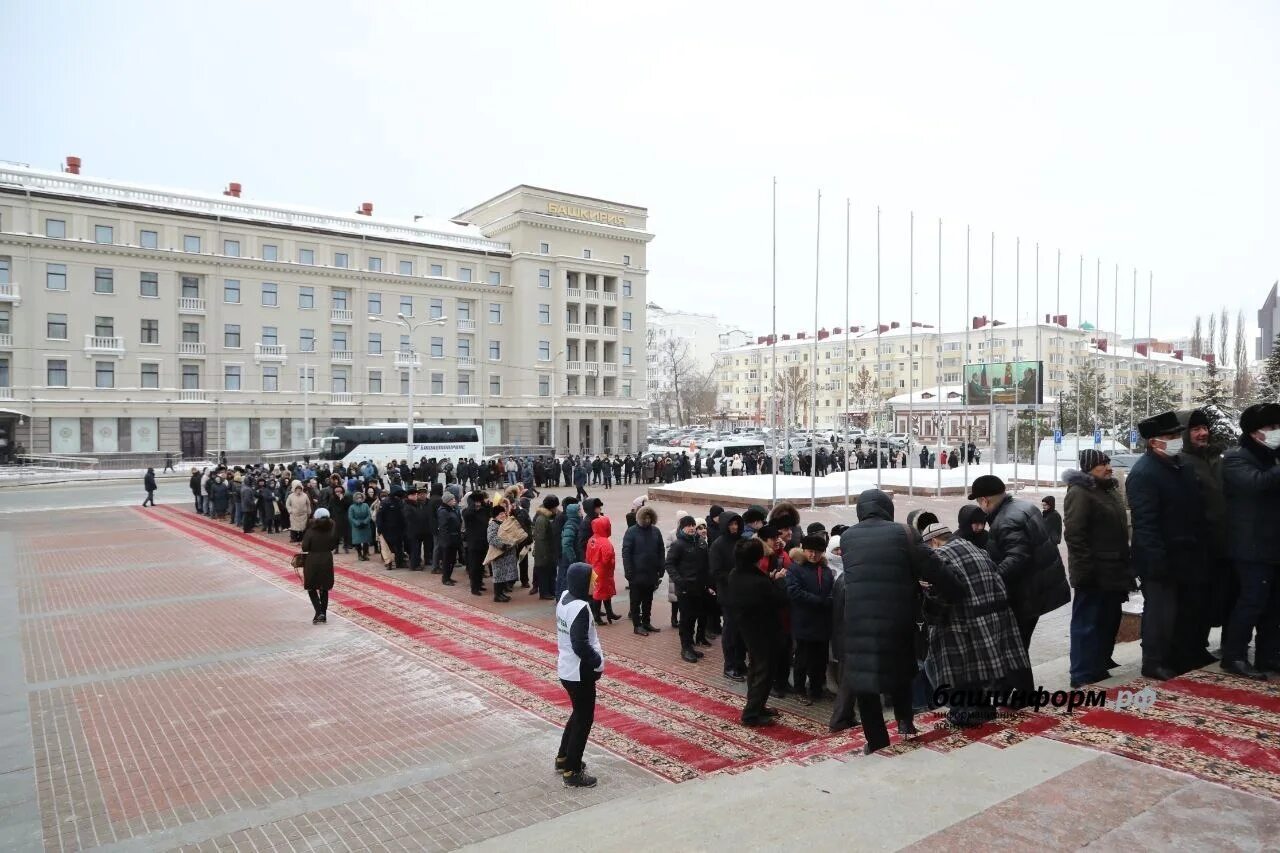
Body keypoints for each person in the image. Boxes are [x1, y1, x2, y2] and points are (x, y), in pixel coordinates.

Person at [838, 489, 961, 753]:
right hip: (897, 616)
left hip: (858, 620)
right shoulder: (903, 532)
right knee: (902, 670)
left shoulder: (847, 537)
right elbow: (932, 567)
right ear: (886, 508)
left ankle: (877, 741)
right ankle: (905, 723)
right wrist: (955, 590)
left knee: (864, 681)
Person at [1126, 411, 1211, 681]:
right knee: (1160, 613)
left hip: (1187, 553)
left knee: (1185, 611)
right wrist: (1156, 561)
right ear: (1154, 442)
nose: (1176, 440)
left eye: (1176, 435)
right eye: (1169, 436)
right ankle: (1154, 661)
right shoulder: (1144, 473)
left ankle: (1180, 655)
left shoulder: (1181, 466)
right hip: (1160, 557)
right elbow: (1146, 524)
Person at [919, 521, 1026, 727]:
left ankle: (966, 712)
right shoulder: (976, 549)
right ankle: (985, 709)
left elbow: (943, 594)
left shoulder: (941, 556)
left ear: (934, 541)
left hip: (962, 621)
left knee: (960, 672)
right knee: (981, 672)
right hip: (992, 616)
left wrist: (930, 609)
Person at [967, 475, 1070, 658]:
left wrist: (993, 579)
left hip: (1025, 594)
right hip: (1037, 588)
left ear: (985, 500)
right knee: (1020, 648)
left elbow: (1017, 557)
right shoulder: (1023, 506)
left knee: (1015, 652)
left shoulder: (1006, 519)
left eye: (978, 501)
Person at [1062, 450, 1134, 687]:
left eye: (1108, 462)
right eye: (1102, 464)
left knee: (1108, 619)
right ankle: (1081, 672)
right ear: (1089, 468)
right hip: (1093, 571)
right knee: (1087, 622)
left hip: (1114, 569)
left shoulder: (1109, 490)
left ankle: (1099, 664)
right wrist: (1084, 572)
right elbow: (1075, 535)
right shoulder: (1079, 492)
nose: (1108, 467)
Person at [1220, 403, 1280, 680]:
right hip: (1251, 545)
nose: (1277, 432)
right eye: (1272, 428)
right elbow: (1255, 484)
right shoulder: (1236, 458)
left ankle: (1269, 655)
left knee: (1274, 605)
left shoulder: (1273, 458)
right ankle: (1234, 656)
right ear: (1255, 433)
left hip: (1274, 545)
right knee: (1251, 601)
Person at [1178, 409, 1230, 659]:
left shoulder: (1214, 459)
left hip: (1218, 545)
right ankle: (1190, 650)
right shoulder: (1182, 461)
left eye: (1205, 428)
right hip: (1196, 545)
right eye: (1196, 429)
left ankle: (1199, 646)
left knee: (1210, 600)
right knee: (1193, 603)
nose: (1203, 433)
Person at [729, 537, 789, 726]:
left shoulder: (736, 574)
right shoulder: (757, 581)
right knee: (764, 670)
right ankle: (751, 713)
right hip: (764, 630)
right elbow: (779, 600)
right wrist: (778, 582)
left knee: (756, 667)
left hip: (748, 627)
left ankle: (757, 705)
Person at [556, 561, 604, 788]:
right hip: (579, 672)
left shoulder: (565, 596)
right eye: (592, 581)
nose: (595, 584)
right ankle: (572, 771)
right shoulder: (580, 608)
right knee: (584, 719)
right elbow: (580, 644)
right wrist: (596, 661)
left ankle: (564, 757)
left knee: (578, 714)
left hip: (566, 668)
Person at [786, 534, 835, 705]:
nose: (813, 555)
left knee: (820, 660)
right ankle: (799, 689)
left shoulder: (827, 571)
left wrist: (829, 600)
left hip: (822, 622)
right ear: (804, 550)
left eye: (817, 552)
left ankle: (817, 688)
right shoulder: (796, 569)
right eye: (810, 551)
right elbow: (794, 592)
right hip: (804, 621)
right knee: (802, 659)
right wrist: (818, 600)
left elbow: (831, 590)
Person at [667, 515, 712, 661]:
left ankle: (691, 646)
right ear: (682, 528)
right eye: (688, 525)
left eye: (693, 525)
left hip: (699, 588)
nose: (692, 528)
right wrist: (680, 581)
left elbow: (706, 565)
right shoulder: (678, 544)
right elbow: (669, 564)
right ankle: (685, 648)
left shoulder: (701, 543)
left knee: (694, 617)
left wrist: (708, 584)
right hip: (685, 589)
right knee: (686, 619)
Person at [710, 512, 746, 682]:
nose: (734, 527)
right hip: (728, 595)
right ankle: (729, 666)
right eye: (731, 524)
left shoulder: (742, 541)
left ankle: (740, 663)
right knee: (730, 632)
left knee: (742, 632)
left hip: (743, 595)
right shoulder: (718, 545)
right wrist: (736, 576)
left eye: (737, 524)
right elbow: (716, 572)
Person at [621, 505, 664, 635]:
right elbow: (626, 553)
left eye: (649, 517)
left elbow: (661, 550)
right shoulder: (631, 531)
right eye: (645, 517)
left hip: (651, 572)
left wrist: (661, 567)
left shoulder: (656, 531)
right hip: (636, 573)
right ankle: (637, 625)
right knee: (636, 600)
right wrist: (628, 571)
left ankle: (646, 622)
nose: (647, 520)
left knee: (648, 599)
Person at [300, 508, 338, 624]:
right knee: (324, 587)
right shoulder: (331, 529)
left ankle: (318, 612)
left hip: (312, 559)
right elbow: (333, 545)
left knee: (311, 586)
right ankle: (323, 614)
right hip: (327, 558)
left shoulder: (311, 530)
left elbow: (305, 547)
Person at [484, 502, 523, 602]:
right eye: (500, 514)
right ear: (495, 516)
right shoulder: (493, 525)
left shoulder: (504, 523)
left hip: (506, 555)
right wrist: (504, 545)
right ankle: (497, 595)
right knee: (498, 576)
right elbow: (491, 538)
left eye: (503, 513)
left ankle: (501, 593)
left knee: (503, 576)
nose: (503, 515)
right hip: (499, 554)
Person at [586, 514, 621, 623]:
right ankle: (598, 616)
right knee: (601, 592)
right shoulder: (605, 542)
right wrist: (613, 561)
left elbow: (587, 556)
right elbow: (607, 559)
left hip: (594, 568)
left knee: (599, 591)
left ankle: (608, 613)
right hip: (604, 572)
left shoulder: (592, 539)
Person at [532, 495, 561, 601]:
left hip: (550, 551)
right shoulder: (542, 519)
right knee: (544, 573)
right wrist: (544, 555)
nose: (556, 509)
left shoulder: (549, 516)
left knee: (551, 572)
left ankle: (551, 590)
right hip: (543, 553)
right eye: (555, 507)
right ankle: (544, 593)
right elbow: (540, 539)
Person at [462, 491, 490, 594]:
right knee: (474, 566)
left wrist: (487, 505)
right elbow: (468, 515)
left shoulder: (483, 511)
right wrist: (472, 506)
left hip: (483, 542)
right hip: (473, 543)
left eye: (479, 502)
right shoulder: (467, 511)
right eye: (475, 502)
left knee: (482, 566)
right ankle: (474, 587)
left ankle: (479, 584)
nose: (478, 504)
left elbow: (489, 514)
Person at [436, 489, 461, 586]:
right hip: (448, 540)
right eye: (452, 499)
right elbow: (443, 527)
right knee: (447, 560)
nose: (454, 500)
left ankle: (449, 577)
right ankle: (445, 578)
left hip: (454, 538)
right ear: (447, 501)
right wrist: (446, 541)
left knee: (452, 560)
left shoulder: (452, 509)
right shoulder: (443, 511)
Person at [348, 491, 374, 561]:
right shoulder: (352, 507)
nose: (359, 499)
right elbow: (351, 517)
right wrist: (357, 523)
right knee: (358, 541)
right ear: (355, 498)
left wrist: (365, 522)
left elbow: (369, 515)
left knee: (366, 541)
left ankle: (365, 554)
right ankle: (359, 554)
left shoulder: (365, 505)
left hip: (365, 525)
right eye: (357, 498)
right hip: (356, 526)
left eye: (360, 497)